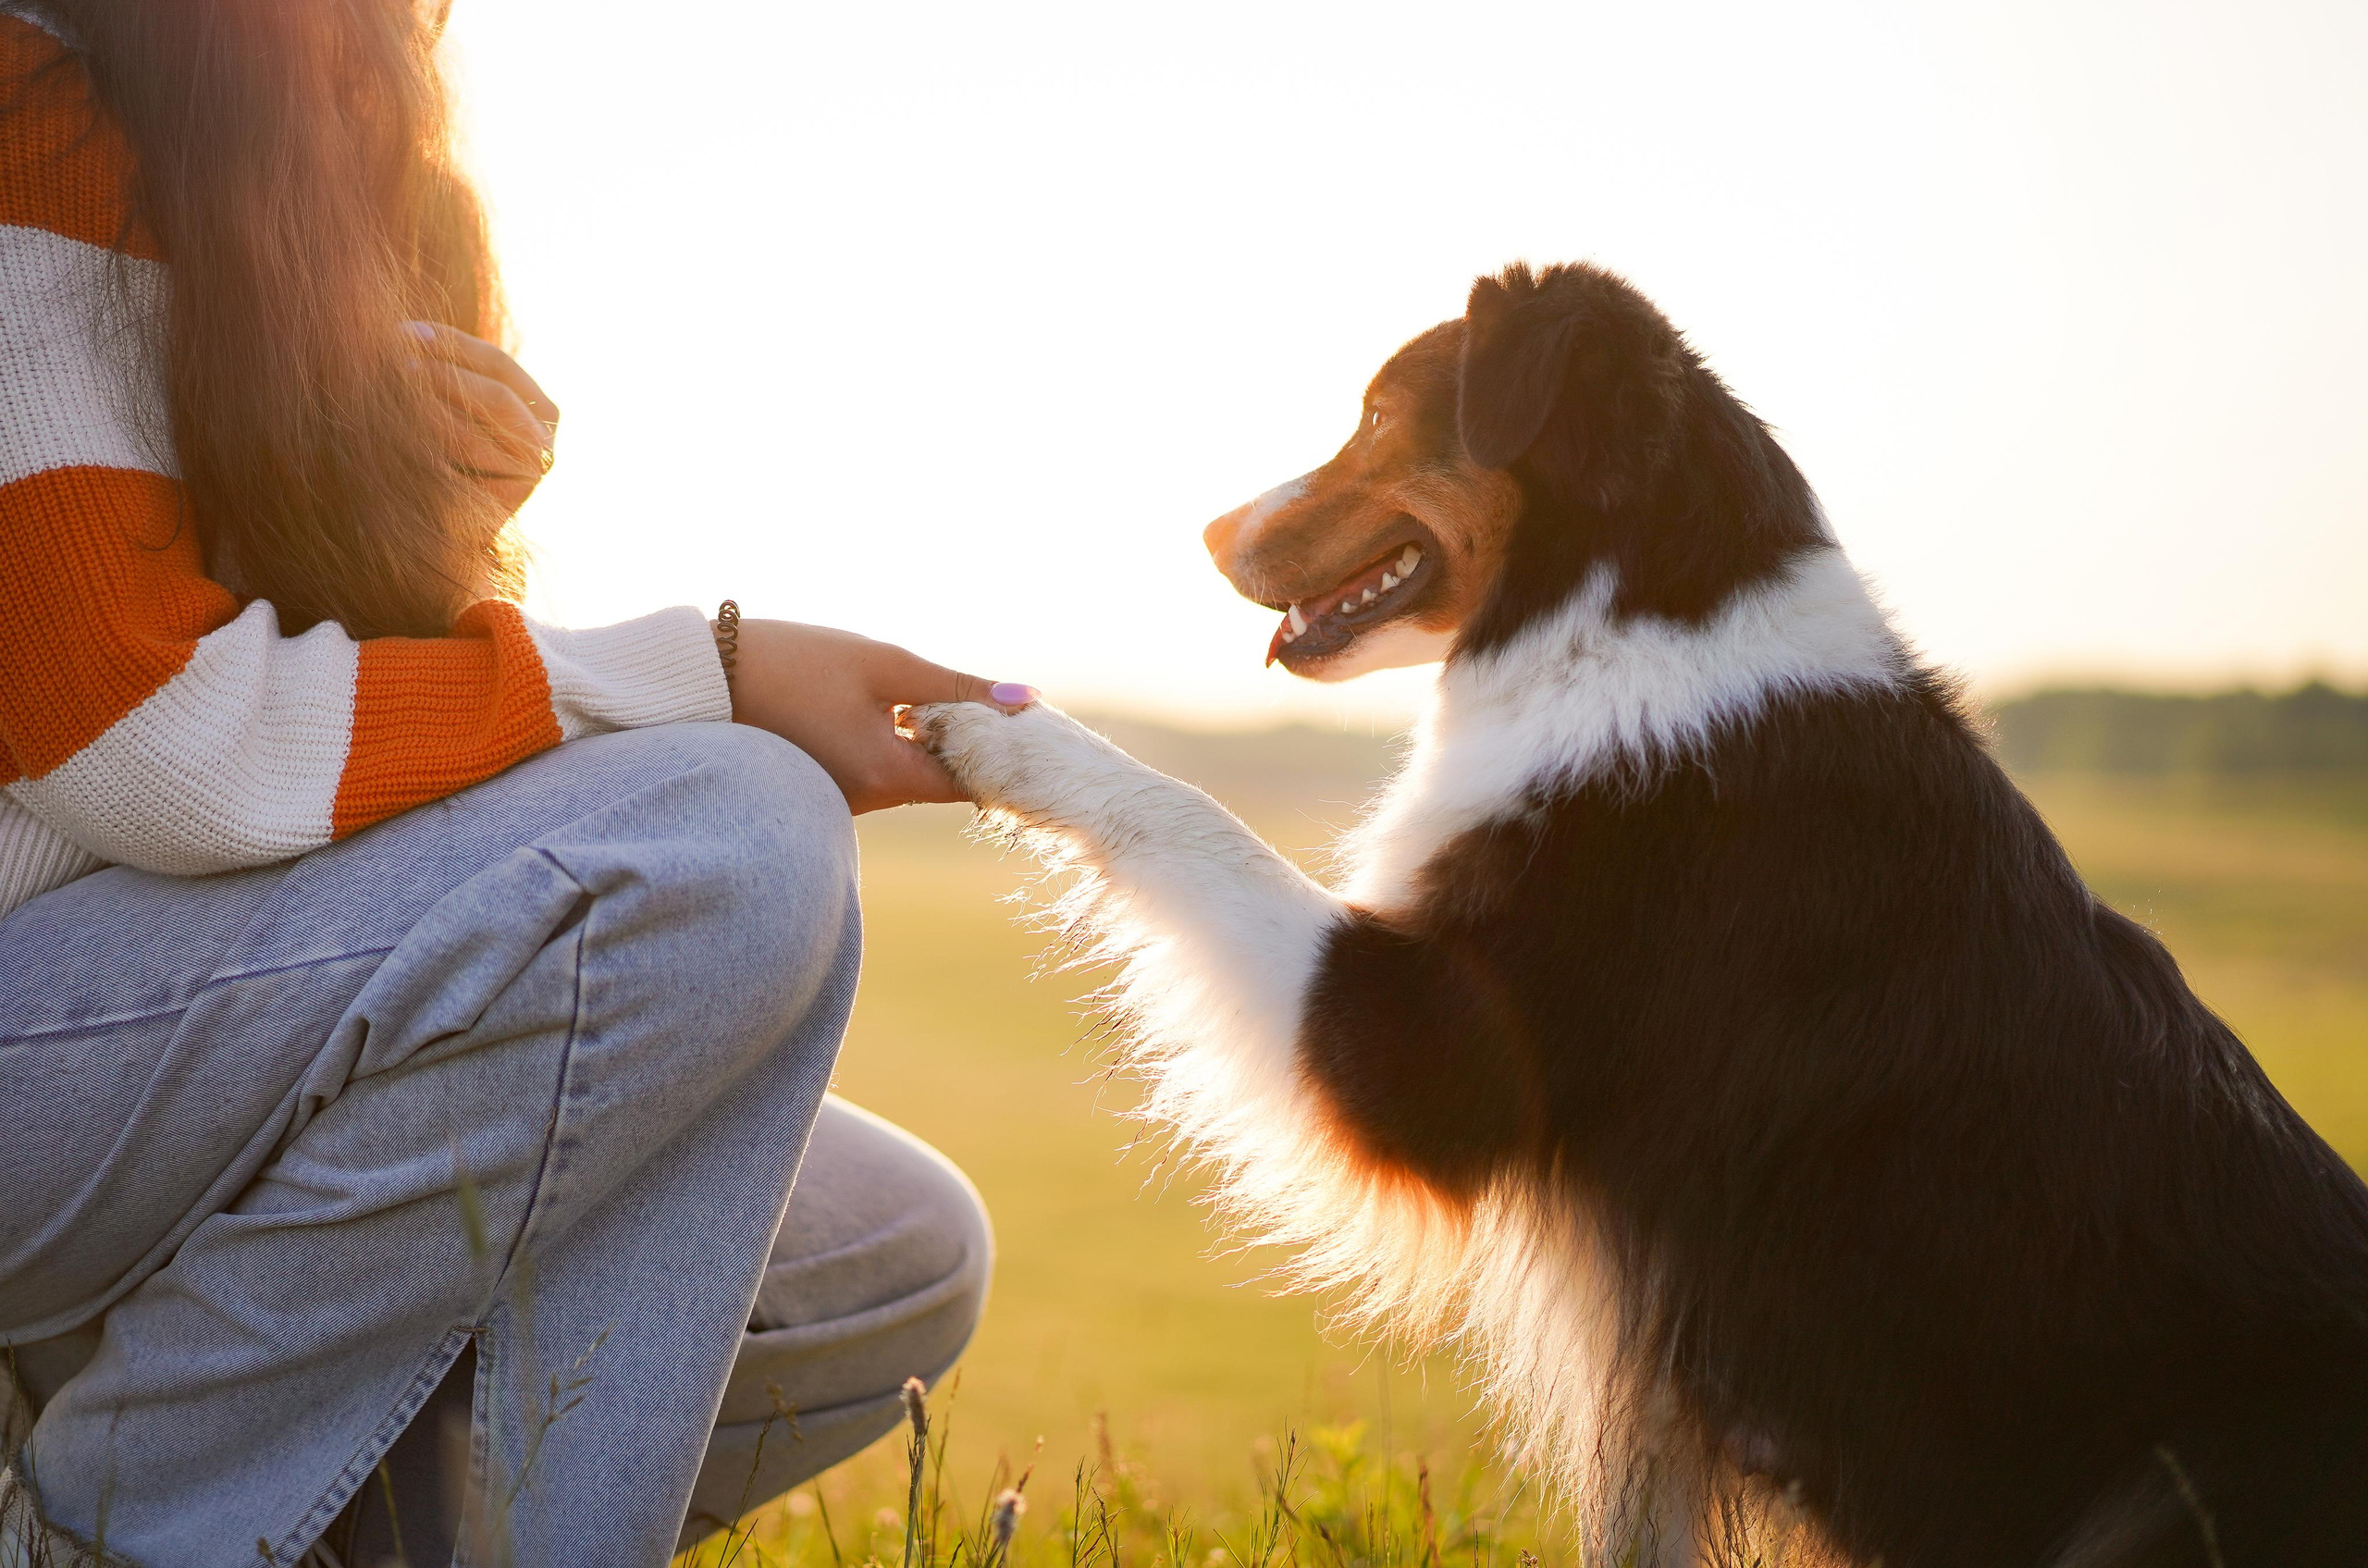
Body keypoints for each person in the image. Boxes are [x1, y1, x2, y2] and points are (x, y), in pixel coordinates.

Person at [0, 3, 1019, 1562]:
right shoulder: (31, 87)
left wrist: (388, 502)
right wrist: (715, 670)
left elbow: (350, 745)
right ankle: (113, 1532)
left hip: (170, 1013)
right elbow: (149, 748)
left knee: (898, 1249)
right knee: (730, 835)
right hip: (57, 1014)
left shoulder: (345, 141)